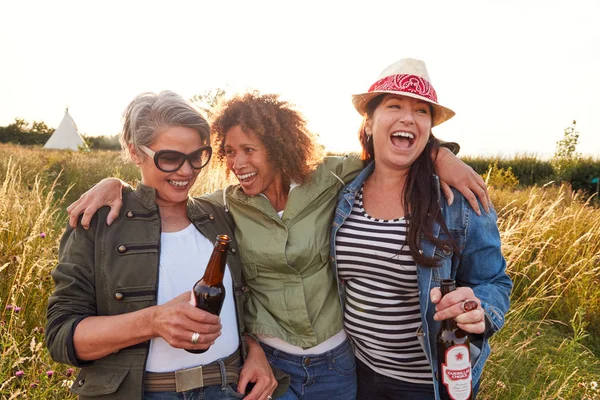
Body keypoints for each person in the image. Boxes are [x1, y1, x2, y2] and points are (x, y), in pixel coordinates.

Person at [65, 91, 490, 399]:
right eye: (229, 152)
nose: (237, 163)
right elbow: (169, 193)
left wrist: (439, 156)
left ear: (280, 147)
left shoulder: (330, 181)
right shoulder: (224, 207)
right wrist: (114, 183)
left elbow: (389, 155)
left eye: (249, 149)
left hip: (339, 363)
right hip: (272, 365)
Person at [45, 91, 288, 400]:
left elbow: (244, 308)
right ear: (135, 152)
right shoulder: (97, 224)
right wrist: (152, 322)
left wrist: (254, 351)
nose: (186, 172)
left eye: (196, 157)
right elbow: (60, 335)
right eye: (170, 158)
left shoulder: (220, 217)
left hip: (229, 389)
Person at [330, 58, 513, 399]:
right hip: (357, 374)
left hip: (431, 382)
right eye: (394, 105)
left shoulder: (459, 200)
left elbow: (493, 281)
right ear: (369, 123)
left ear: (428, 128)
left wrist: (480, 311)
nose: (407, 117)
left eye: (421, 111)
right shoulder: (341, 193)